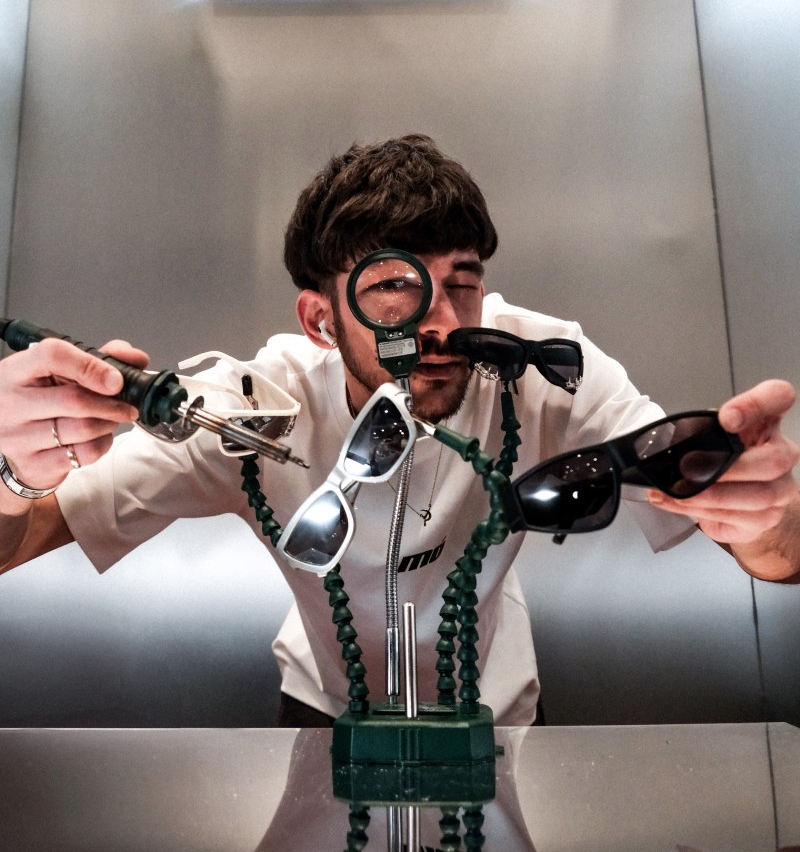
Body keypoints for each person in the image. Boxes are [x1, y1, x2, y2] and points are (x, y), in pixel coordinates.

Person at [0, 134, 798, 727]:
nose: (443, 323)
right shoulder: (250, 407)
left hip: (500, 716)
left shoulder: (546, 363)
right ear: (319, 319)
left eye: (463, 281)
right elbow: (24, 536)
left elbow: (767, 548)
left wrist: (765, 514)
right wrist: (17, 473)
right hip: (322, 712)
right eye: (395, 286)